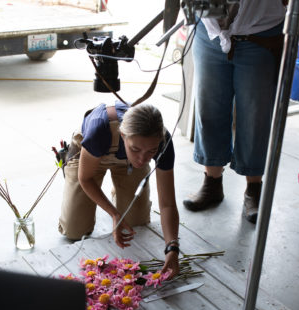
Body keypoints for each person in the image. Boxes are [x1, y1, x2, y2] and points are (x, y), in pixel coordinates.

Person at [183, 0, 286, 224]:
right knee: (208, 108)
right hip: (208, 29)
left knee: (254, 114)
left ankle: (253, 190)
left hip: (259, 32)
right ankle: (212, 183)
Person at [58, 101, 180, 278]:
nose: (143, 158)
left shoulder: (163, 142)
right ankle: (115, 202)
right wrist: (114, 214)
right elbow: (85, 178)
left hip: (127, 165)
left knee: (136, 224)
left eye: (151, 151)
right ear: (123, 135)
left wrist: (172, 248)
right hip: (91, 157)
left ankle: (122, 192)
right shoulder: (99, 129)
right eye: (136, 149)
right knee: (74, 230)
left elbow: (168, 204)